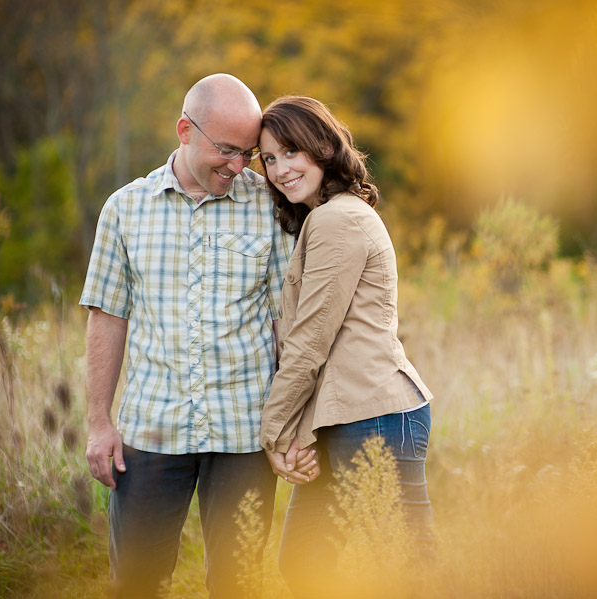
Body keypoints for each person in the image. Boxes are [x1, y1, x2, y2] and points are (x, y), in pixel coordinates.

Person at [80, 74, 317, 599]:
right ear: (185, 131)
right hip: (151, 432)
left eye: (249, 154)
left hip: (245, 434)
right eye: (227, 150)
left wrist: (297, 417)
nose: (239, 166)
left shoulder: (269, 206)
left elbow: (288, 324)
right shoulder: (124, 210)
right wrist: (99, 422)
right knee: (136, 584)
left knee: (238, 585)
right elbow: (107, 317)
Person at [258, 95, 435, 598]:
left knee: (405, 570)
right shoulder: (327, 217)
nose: (280, 169)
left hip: (377, 417)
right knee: (307, 562)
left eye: (291, 151)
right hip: (344, 419)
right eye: (269, 158)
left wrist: (274, 435)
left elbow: (310, 341)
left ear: (323, 146)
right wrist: (299, 433)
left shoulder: (338, 220)